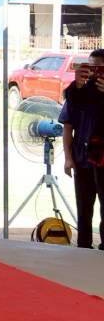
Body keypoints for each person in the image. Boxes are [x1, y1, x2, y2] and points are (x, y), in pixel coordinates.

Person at [59, 49, 104, 249]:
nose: (94, 73)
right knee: (84, 209)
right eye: (90, 67)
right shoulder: (77, 93)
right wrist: (68, 158)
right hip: (82, 157)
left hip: (103, 159)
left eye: (100, 68)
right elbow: (67, 126)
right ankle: (83, 246)